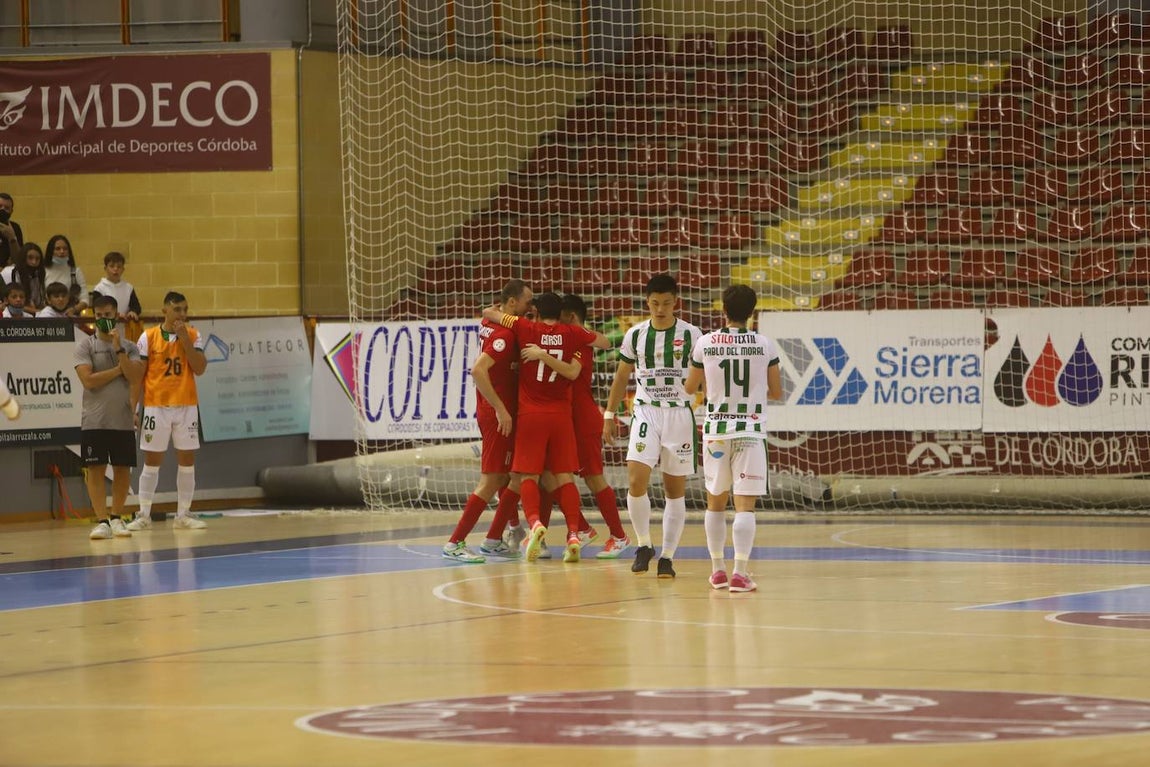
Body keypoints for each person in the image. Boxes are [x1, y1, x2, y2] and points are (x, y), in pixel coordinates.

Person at [482, 292, 611, 563]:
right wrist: (577, 330)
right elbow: (605, 341)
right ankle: (575, 533)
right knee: (564, 478)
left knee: (527, 477)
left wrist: (501, 310)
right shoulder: (571, 333)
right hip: (561, 418)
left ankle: (534, 525)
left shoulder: (526, 327)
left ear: (537, 313)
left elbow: (489, 314)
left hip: (531, 416)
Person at [602, 273, 702, 579]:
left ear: (676, 303)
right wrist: (608, 415)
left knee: (674, 492)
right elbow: (621, 377)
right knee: (636, 480)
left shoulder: (692, 334)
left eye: (667, 303)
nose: (660, 309)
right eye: (655, 303)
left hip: (679, 416)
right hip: (646, 412)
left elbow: (707, 375)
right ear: (648, 302)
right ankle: (644, 545)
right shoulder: (636, 334)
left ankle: (668, 556)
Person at [684, 284, 782, 593]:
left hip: (715, 431)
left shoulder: (705, 343)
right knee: (744, 506)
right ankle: (740, 573)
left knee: (715, 503)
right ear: (753, 313)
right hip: (750, 431)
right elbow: (777, 392)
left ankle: (717, 571)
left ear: (722, 311)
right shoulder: (765, 345)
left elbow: (690, 387)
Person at [523, 294, 631, 559]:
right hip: (565, 419)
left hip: (582, 420)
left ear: (570, 318)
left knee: (593, 478)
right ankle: (568, 531)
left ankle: (618, 536)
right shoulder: (570, 337)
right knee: (548, 475)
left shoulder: (578, 341)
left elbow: (580, 363)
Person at [442, 279, 534, 563]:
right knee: (492, 479)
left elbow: (486, 312)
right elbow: (478, 371)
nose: (530, 308)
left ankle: (498, 537)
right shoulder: (504, 336)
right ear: (510, 304)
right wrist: (501, 409)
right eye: (526, 303)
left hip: (493, 410)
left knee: (507, 475)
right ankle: (455, 543)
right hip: (496, 414)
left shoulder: (493, 319)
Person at [125, 291, 208, 531]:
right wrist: (133, 408)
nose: (182, 314)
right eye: (177, 309)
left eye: (185, 309)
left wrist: (185, 341)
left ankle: (183, 514)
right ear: (165, 310)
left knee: (187, 461)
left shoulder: (193, 334)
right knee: (152, 462)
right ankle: (143, 514)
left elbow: (200, 368)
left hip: (186, 405)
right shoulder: (148, 336)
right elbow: (138, 377)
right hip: (155, 406)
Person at [74, 295, 145, 540]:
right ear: (95, 317)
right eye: (100, 315)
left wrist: (118, 349)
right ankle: (102, 520)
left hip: (122, 419)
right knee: (95, 469)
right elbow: (89, 380)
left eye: (109, 315)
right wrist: (118, 370)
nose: (105, 319)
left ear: (116, 315)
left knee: (123, 469)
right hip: (95, 419)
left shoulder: (130, 347)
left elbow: (135, 376)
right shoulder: (86, 346)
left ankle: (117, 517)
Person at [91, 251, 142, 324]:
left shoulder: (128, 288)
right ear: (105, 268)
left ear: (123, 269)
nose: (115, 269)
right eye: (112, 266)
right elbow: (96, 310)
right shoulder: (99, 288)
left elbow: (136, 307)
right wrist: (115, 315)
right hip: (106, 328)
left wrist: (133, 311)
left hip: (125, 329)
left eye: (119, 266)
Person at [44, 234, 88, 316]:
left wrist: (74, 310)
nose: (62, 251)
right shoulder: (44, 271)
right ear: (50, 251)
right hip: (49, 315)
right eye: (58, 249)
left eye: (65, 249)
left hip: (70, 316)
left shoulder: (75, 272)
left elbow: (85, 299)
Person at [3, 243, 46, 313]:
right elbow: (9, 303)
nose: (34, 262)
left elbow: (38, 302)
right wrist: (37, 312)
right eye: (30, 258)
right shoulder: (10, 272)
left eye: (37, 259)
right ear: (23, 258)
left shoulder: (38, 275)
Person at [0, 192, 24, 269]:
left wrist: (11, 237)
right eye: (0, 206)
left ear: (11, 211)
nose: (2, 209)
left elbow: (19, 259)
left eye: (6, 208)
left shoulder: (15, 228)